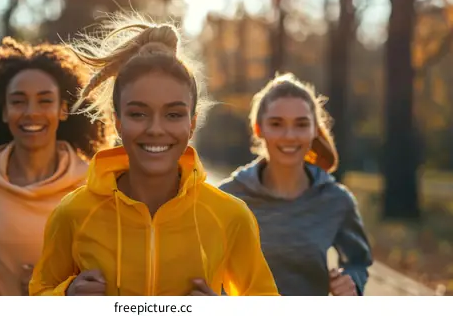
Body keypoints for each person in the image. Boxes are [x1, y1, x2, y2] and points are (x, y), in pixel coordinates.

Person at [29, 15, 279, 296]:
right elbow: (39, 292)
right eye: (138, 114)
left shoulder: (231, 217)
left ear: (192, 123)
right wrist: (66, 297)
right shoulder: (73, 213)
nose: (156, 129)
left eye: (173, 114)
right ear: (118, 122)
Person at [0, 37, 113, 296]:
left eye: (45, 101)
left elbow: (109, 267)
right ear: (4, 112)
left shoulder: (92, 184)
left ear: (63, 110)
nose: (31, 112)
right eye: (18, 101)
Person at [218, 73, 373, 296]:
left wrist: (351, 282)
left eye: (301, 124)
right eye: (277, 124)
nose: (289, 136)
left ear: (314, 131)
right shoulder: (227, 198)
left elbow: (358, 262)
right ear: (259, 129)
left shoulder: (336, 200)